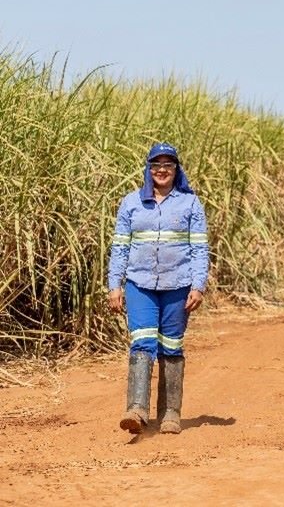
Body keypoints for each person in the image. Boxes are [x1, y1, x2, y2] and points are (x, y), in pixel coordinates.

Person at [107, 142, 209, 435]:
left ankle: (170, 413)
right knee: (142, 342)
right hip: (140, 285)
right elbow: (120, 248)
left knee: (171, 346)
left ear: (176, 170)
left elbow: (200, 249)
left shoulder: (190, 203)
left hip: (178, 285)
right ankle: (137, 409)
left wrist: (198, 285)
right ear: (148, 169)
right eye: (156, 165)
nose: (162, 170)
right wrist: (115, 285)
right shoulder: (131, 203)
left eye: (168, 165)